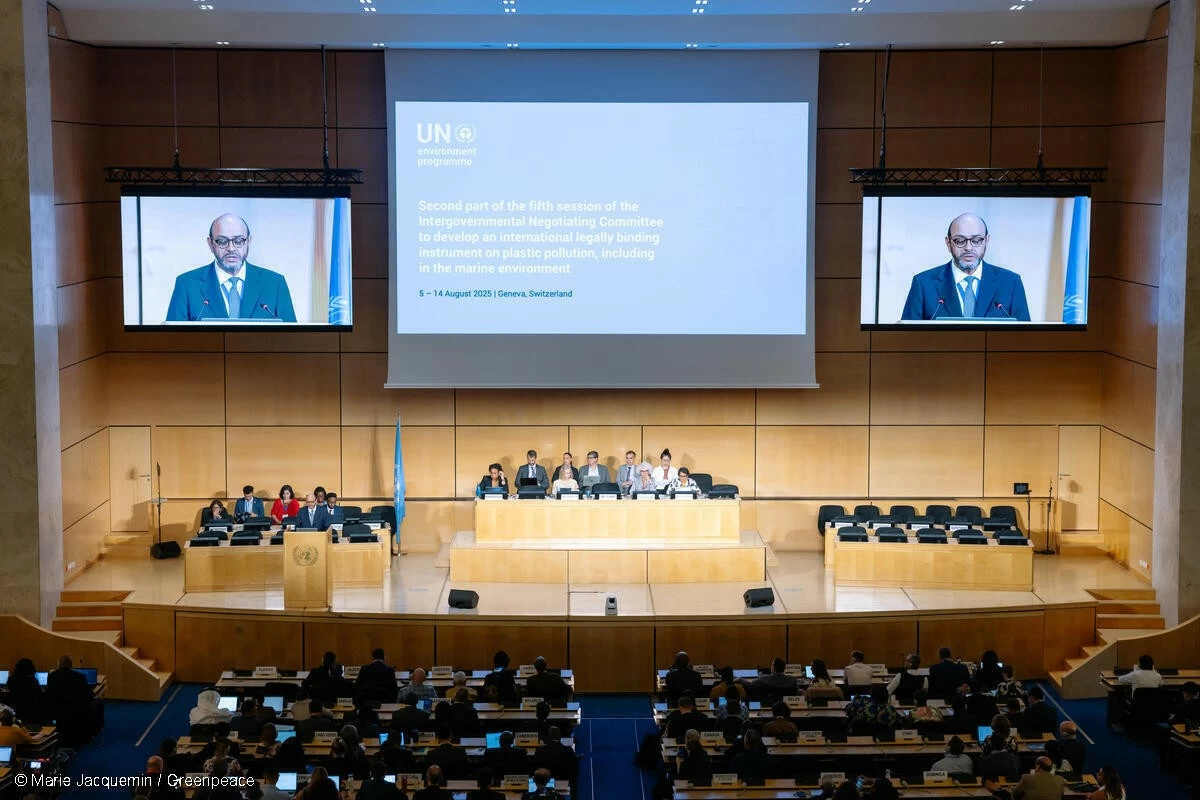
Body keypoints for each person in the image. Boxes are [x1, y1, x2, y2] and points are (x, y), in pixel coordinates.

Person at [900, 213, 1031, 321]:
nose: (968, 248)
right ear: (948, 243)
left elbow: (1025, 338)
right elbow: (907, 337)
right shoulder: (924, 283)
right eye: (959, 240)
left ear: (987, 241)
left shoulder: (1010, 282)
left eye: (977, 240)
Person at [166, 214, 296, 322]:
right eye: (222, 241)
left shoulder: (274, 284)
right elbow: (173, 340)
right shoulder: (187, 284)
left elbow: (292, 340)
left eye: (238, 241)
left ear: (249, 241)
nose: (231, 248)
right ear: (210, 244)